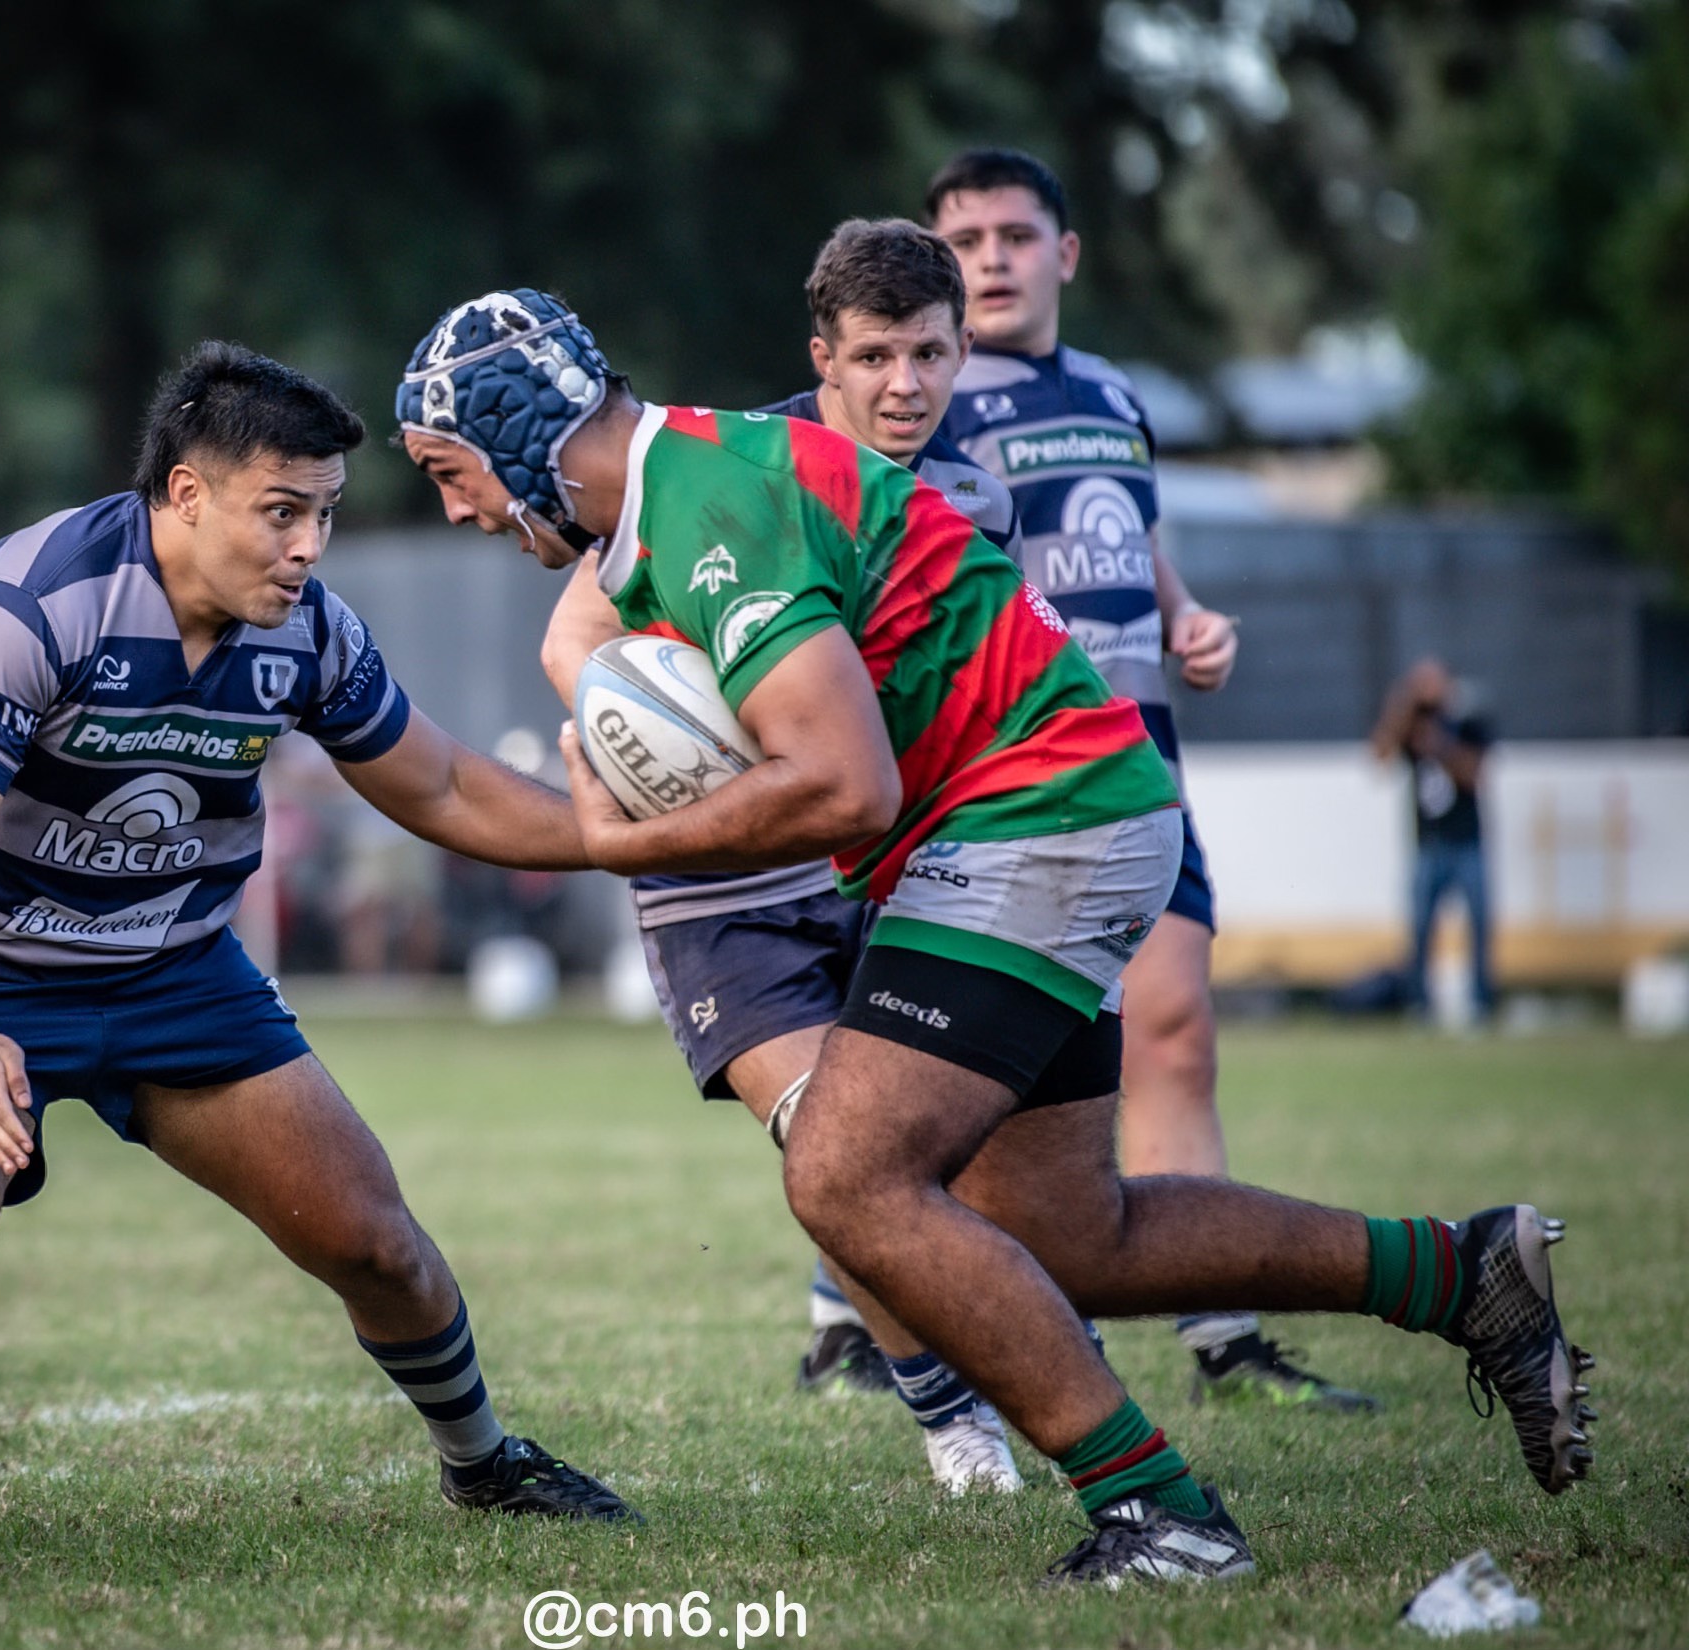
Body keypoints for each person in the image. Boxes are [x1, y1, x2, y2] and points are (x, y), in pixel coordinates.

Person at [397, 288, 1593, 1583]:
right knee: (1067, 1235)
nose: (457, 511)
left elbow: (845, 785)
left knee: (843, 1175)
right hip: (1061, 809)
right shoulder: (683, 485)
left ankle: (1163, 1513)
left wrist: (631, 843)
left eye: (452, 475)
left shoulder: (710, 508)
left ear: (519, 431)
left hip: (1036, 819)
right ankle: (1462, 1275)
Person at [0, 340, 635, 1550]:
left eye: (325, 514)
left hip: (171, 968)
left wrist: (642, 839)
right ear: (186, 494)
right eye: (282, 513)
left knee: (374, 1241)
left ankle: (483, 1466)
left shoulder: (307, 631)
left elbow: (444, 788)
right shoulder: (23, 607)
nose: (309, 547)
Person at [542, 219, 1025, 1493]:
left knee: (923, 1161)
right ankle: (953, 1423)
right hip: (724, 886)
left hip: (885, 863)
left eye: (929, 355)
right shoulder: (730, 464)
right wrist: (672, 735)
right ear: (822, 358)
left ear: (962, 352)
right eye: (872, 357)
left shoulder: (977, 499)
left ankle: (951, 1343)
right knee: (831, 1147)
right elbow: (572, 638)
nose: (903, 386)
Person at [923, 146, 1372, 1411]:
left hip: (1140, 767)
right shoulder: (923, 396)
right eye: (965, 241)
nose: (993, 260)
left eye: (1016, 235)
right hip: (1002, 778)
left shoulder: (1113, 393)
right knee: (978, 1071)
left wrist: (1186, 621)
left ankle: (1223, 1339)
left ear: (1063, 253)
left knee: (1173, 1034)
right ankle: (882, 1316)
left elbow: (1136, 534)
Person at [1370, 657, 1495, 1022]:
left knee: (1478, 923)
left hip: (1467, 841)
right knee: (1421, 927)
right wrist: (1400, 706)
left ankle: (1480, 1002)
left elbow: (1476, 774)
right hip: (1427, 844)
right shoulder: (1413, 723)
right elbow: (1379, 756)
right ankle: (1419, 1002)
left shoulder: (1467, 721)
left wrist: (1441, 746)